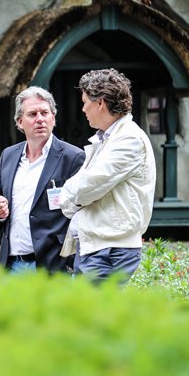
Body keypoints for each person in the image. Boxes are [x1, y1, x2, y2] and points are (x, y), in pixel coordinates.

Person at [59, 69, 156, 283]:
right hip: (99, 245)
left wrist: (66, 196)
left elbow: (87, 186)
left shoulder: (129, 139)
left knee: (94, 315)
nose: (83, 108)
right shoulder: (106, 139)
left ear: (100, 102)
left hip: (111, 250)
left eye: (85, 102)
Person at [0, 87, 86, 274]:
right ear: (20, 122)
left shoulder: (73, 157)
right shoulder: (8, 156)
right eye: (32, 114)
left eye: (45, 112)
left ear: (53, 118)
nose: (40, 118)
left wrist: (73, 263)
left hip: (53, 266)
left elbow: (83, 214)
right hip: (11, 265)